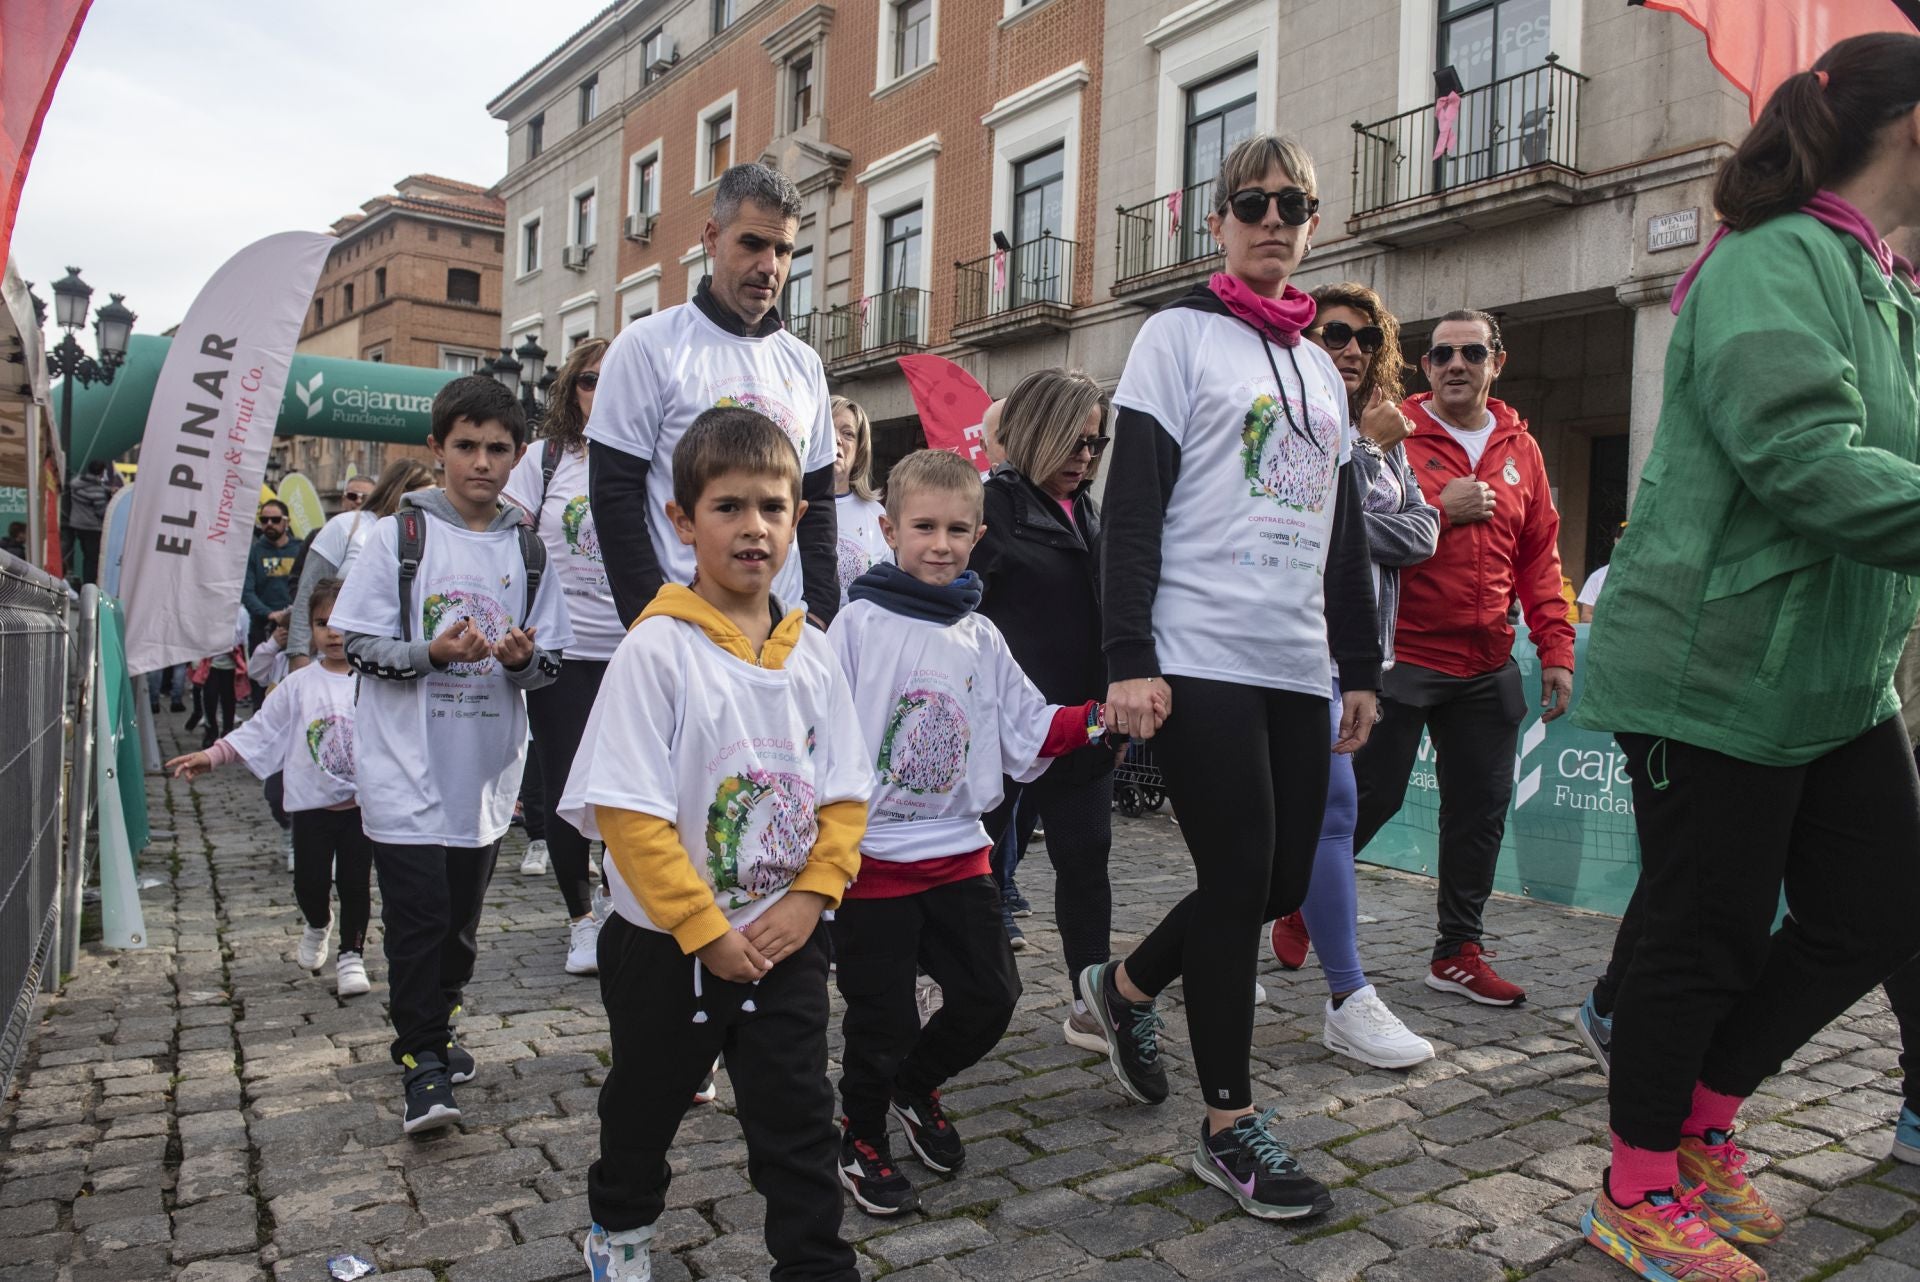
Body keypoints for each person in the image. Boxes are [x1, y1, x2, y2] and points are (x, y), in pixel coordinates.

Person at [1568, 34, 1920, 1282]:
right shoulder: (1774, 261)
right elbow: (1807, 460)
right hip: (1716, 672)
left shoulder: (1880, 275)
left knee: (1877, 910)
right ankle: (1637, 1186)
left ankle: (1707, 1119)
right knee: (1698, 934)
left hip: (1835, 673)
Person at [1090, 133, 1380, 1221]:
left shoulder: (1318, 365)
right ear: (1217, 221)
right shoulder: (1176, 338)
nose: (1273, 217)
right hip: (1200, 651)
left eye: (1292, 204)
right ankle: (1228, 1125)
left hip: (1297, 662)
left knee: (1275, 885)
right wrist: (1130, 659)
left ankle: (1123, 989)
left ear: (1312, 224)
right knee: (1237, 868)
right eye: (1251, 201)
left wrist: (1358, 664)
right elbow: (1132, 509)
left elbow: (1344, 532)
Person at [557, 407, 868, 1282]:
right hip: (668, 948)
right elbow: (629, 817)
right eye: (728, 508)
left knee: (801, 1122)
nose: (752, 527)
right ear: (682, 521)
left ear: (798, 520)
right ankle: (619, 1228)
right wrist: (703, 930)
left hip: (784, 943)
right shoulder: (655, 652)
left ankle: (814, 1264)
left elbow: (846, 794)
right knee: (644, 1110)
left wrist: (811, 899)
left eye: (772, 506)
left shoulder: (814, 655)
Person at [826, 448, 1107, 1216]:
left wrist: (1101, 718)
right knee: (878, 1014)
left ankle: (916, 1086)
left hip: (958, 852)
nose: (940, 544)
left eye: (957, 529)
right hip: (874, 859)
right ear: (889, 529)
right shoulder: (855, 625)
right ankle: (862, 1134)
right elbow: (816, 731)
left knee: (991, 996)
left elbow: (1028, 725)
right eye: (924, 527)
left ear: (979, 534)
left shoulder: (980, 634)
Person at [331, 375, 572, 1134]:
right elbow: (358, 646)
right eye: (465, 446)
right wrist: (430, 654)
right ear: (437, 450)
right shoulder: (397, 537)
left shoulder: (528, 550)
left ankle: (441, 1023)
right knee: (419, 919)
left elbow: (550, 664)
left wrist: (519, 661)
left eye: (498, 449)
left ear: (517, 455)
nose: (481, 463)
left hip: (485, 773)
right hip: (404, 767)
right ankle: (423, 1065)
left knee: (461, 926)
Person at [1346, 306, 1575, 1008]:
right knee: (1369, 799)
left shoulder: (1521, 449)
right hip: (1402, 656)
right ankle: (1300, 899)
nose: (1456, 365)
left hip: (1486, 664)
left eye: (1472, 353)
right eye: (1442, 353)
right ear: (1424, 365)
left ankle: (1457, 952)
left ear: (1495, 363)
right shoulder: (1396, 433)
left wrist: (1556, 648)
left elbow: (1541, 557)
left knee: (1479, 814)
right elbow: (1352, 526)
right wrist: (1441, 506)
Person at [1268, 283, 1439, 1070]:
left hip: (1354, 652)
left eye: (1365, 339)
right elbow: (1304, 517)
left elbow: (1423, 531)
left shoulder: (1383, 434)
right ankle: (1339, 988)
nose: (1350, 349)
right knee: (1283, 810)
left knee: (1332, 808)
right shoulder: (1293, 411)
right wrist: (1367, 454)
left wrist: (1372, 461)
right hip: (1276, 640)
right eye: (1334, 332)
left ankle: (1347, 996)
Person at [589, 163, 839, 630]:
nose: (770, 266)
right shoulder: (648, 346)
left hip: (782, 635)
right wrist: (652, 619)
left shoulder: (805, 365)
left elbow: (819, 500)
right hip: (684, 628)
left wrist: (821, 612)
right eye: (752, 244)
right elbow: (614, 498)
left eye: (784, 250)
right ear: (711, 237)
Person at [972, 368, 1120, 1051]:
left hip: (1079, 726)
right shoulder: (989, 507)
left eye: (1095, 444)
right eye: (1074, 442)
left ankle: (1093, 1003)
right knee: (974, 863)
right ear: (1035, 432)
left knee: (1086, 862)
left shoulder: (1088, 509)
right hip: (999, 731)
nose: (1084, 458)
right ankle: (949, 983)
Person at [166, 578, 373, 997]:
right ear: (309, 630)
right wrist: (213, 755)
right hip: (312, 808)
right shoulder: (299, 684)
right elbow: (262, 729)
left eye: (343, 622)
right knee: (309, 883)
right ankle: (318, 923)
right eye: (322, 623)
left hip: (363, 809)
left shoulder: (374, 681)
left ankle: (352, 955)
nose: (333, 633)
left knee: (355, 883)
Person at [503, 337, 620, 974]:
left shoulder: (655, 457)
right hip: (563, 651)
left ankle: (614, 900)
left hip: (637, 650)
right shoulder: (545, 461)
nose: (600, 391)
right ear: (570, 390)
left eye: (613, 379)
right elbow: (499, 539)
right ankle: (580, 922)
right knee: (565, 784)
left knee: (630, 789)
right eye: (589, 380)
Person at [289, 459, 435, 667]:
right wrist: (298, 656)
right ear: (400, 491)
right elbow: (307, 594)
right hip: (333, 660)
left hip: (393, 662)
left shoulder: (424, 536)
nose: (432, 502)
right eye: (424, 494)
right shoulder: (344, 526)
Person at [831, 395, 890, 609]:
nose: (836, 439)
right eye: (827, 429)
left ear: (859, 451)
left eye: (847, 434)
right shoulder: (784, 506)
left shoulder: (876, 514)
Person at [242, 498, 302, 647]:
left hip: (297, 627)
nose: (269, 523)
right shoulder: (253, 552)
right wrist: (270, 614)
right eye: (264, 519)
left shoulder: (301, 549)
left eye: (275, 519)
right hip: (262, 629)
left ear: (286, 522)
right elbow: (246, 592)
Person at [66, 460, 119, 585]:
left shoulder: (77, 482)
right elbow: (102, 512)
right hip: (92, 528)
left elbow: (93, 487)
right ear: (101, 473)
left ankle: (86, 584)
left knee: (86, 556)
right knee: (92, 560)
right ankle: (89, 585)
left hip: (77, 524)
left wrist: (107, 489)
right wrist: (111, 498)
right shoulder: (97, 492)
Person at [1575, 522, 1625, 627]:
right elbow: (1586, 616)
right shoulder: (1597, 577)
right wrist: (1616, 625)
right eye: (1624, 538)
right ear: (1616, 541)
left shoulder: (1647, 577)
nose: (1628, 543)